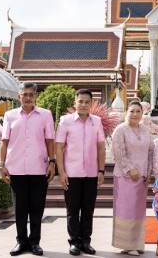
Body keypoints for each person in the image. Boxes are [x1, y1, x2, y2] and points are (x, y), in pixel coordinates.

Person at [0, 82, 55, 256]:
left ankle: (35, 242)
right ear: (19, 96)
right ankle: (21, 242)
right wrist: (1, 164)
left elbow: (50, 140)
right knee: (20, 209)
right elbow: (4, 141)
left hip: (39, 169)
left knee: (37, 209)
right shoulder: (9, 115)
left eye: (31, 94)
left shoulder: (45, 115)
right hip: (16, 169)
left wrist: (52, 162)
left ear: (36, 96)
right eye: (25, 94)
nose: (28, 97)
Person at [55, 89, 106, 256]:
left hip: (91, 173)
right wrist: (61, 172)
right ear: (75, 103)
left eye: (87, 102)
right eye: (80, 101)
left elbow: (100, 147)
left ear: (91, 104)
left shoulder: (97, 121)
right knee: (72, 209)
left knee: (88, 208)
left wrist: (101, 170)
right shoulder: (65, 121)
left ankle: (85, 241)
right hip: (72, 173)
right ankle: (74, 242)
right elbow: (59, 148)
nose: (83, 105)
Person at [111, 101, 154, 256]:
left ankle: (137, 243)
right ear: (126, 112)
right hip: (125, 176)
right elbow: (118, 152)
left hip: (142, 177)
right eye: (132, 111)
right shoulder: (121, 130)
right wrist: (130, 169)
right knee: (127, 210)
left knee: (138, 211)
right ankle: (127, 244)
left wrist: (149, 170)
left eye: (138, 111)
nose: (135, 114)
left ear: (142, 113)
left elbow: (151, 151)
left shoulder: (145, 129)